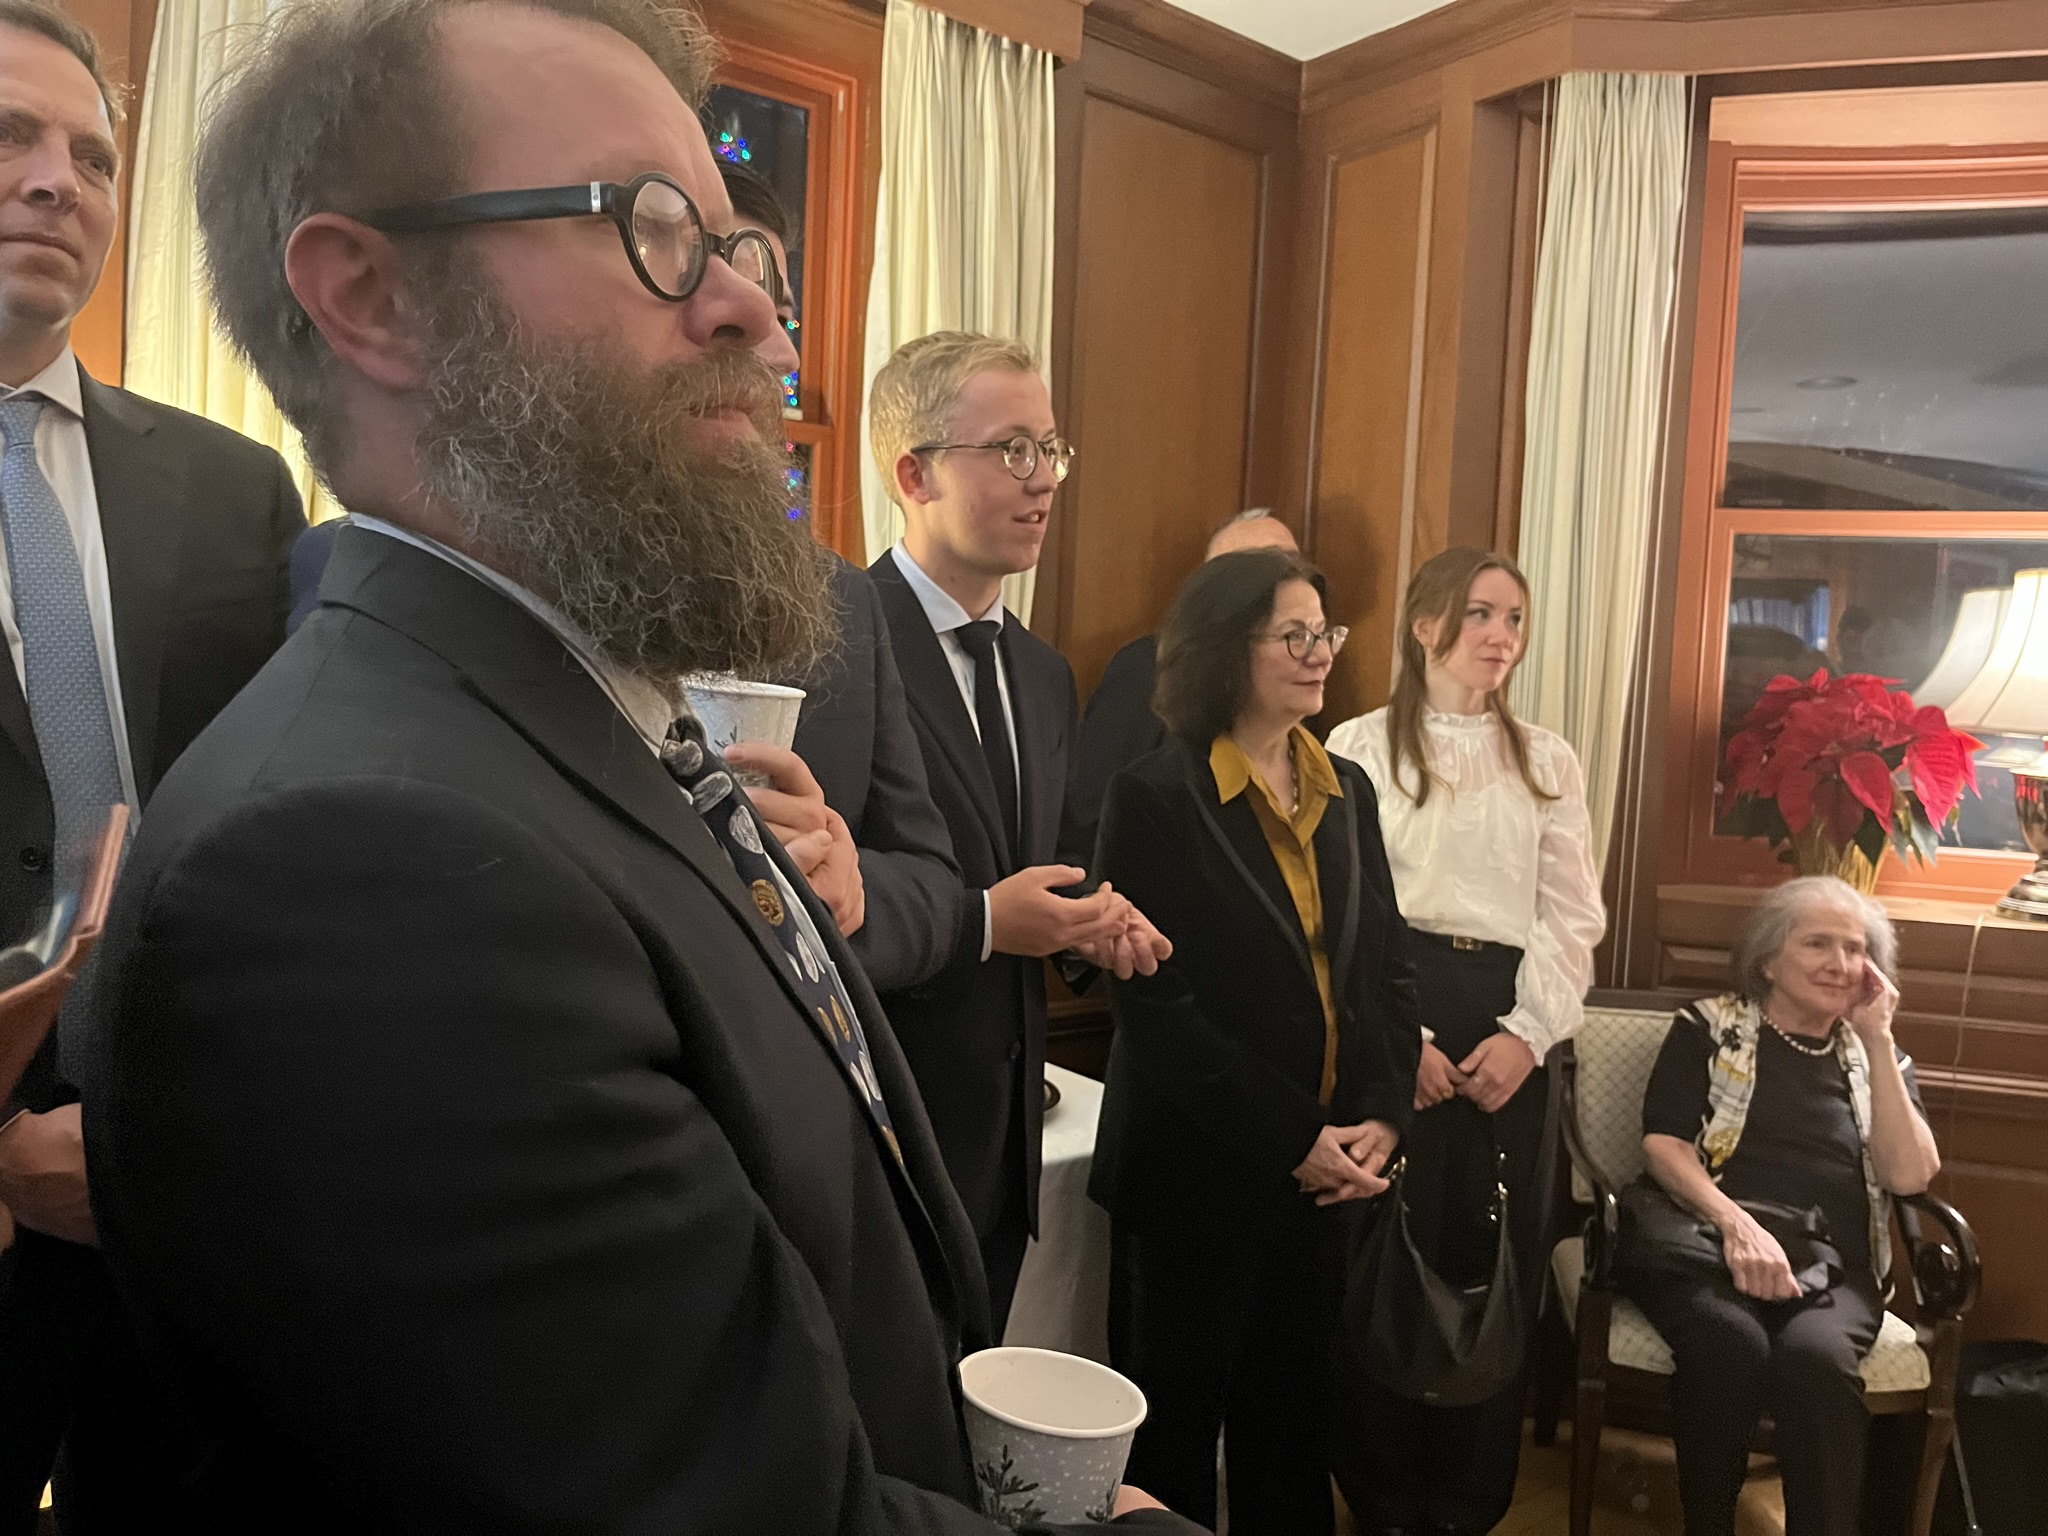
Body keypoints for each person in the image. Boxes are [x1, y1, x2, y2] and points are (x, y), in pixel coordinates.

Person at [74, 0, 1196, 1528]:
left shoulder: (594, 723)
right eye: (656, 233)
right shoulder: (358, 867)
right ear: (372, 299)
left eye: (740, 251)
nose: (763, 325)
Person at [0, 4, 303, 1528]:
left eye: (94, 157)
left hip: (191, 1186)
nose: (58, 181)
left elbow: (295, 815)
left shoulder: (238, 489)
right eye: (10, 137)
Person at [1089, 549, 1419, 1535]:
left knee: (1292, 1437)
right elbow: (1158, 1014)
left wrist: (1381, 1116)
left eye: (1325, 632)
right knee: (1173, 1448)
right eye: (1294, 634)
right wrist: (1293, 1137)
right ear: (1226, 650)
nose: (1320, 653)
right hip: (1194, 1180)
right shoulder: (1151, 796)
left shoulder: (1348, 790)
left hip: (1323, 1180)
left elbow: (1387, 973)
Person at [867, 329, 1170, 1334]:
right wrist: (986, 921)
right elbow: (810, 893)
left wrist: (1089, 922)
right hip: (882, 1129)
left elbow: (1033, 866)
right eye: (1010, 450)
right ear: (914, 474)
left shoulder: (1042, 674)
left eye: (1050, 450)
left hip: (1005, 1135)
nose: (1043, 479)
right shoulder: (836, 641)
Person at [1324, 546, 1605, 1535]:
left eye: (1513, 618)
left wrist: (1527, 1035)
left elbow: (1571, 917)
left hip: (1509, 1020)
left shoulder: (1547, 759)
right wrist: (1398, 1042)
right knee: (1381, 1248)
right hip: (1396, 1011)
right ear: (1425, 625)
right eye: (1480, 613)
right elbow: (1346, 912)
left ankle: (1465, 1500)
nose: (1500, 635)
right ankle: (1379, 1492)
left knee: (1491, 1254)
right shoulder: (1356, 746)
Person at [1628, 877, 1939, 1536]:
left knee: (1816, 1362)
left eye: (1856, 949)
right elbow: (1663, 1146)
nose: (1841, 963)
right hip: (1710, 1244)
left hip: (1833, 1267)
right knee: (1728, 1343)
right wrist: (1735, 1224)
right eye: (1818, 943)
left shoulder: (1876, 1059)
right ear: (1768, 960)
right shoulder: (1708, 1029)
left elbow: (1910, 1175)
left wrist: (1879, 1040)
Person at [1068, 507, 1298, 858]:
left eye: (1295, 564)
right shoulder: (1149, 668)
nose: (1291, 581)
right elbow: (1092, 816)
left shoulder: (1299, 680)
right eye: (1265, 566)